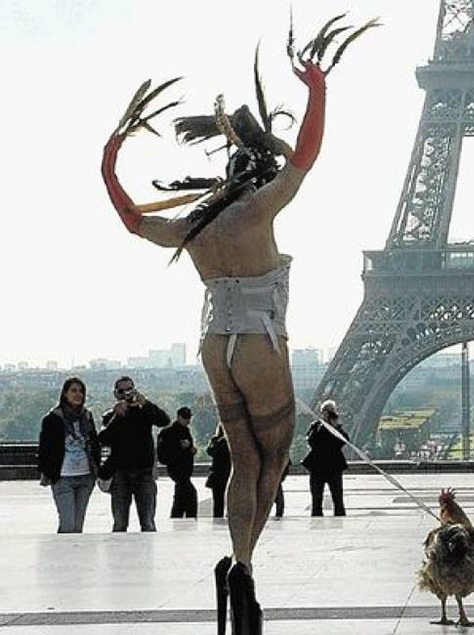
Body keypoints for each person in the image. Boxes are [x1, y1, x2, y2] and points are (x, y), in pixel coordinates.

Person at [100, 18, 377, 632]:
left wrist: (109, 163)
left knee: (240, 460)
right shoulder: (258, 207)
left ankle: (237, 560)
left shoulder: (194, 227)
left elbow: (131, 219)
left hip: (213, 345)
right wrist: (318, 91)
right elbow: (305, 156)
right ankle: (244, 567)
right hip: (259, 343)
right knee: (272, 456)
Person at [98, 376, 170, 532]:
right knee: (120, 523)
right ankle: (119, 554)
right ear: (116, 394)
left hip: (143, 471)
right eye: (121, 391)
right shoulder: (111, 416)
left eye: (129, 390)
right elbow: (104, 438)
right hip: (120, 473)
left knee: (148, 523)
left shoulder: (144, 410)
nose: (126, 394)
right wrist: (117, 416)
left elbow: (164, 420)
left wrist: (145, 403)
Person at [38, 377, 102, 533]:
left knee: (78, 526)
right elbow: (44, 449)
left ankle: (75, 556)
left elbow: (94, 443)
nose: (78, 394)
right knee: (68, 524)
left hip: (85, 476)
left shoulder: (87, 416)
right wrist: (49, 473)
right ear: (65, 394)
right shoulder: (52, 419)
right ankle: (61, 555)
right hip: (63, 477)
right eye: (73, 391)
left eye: (81, 391)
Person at [302, 400, 349, 517]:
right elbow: (312, 442)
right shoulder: (316, 426)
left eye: (332, 412)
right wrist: (323, 426)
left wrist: (335, 426)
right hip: (319, 466)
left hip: (332, 466)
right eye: (327, 412)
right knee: (316, 500)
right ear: (322, 412)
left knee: (338, 499)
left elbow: (344, 441)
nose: (329, 414)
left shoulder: (337, 428)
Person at [157, 406, 198, 518]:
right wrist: (179, 447)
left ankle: (177, 517)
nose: (187, 421)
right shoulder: (168, 432)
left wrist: (191, 449)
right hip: (176, 469)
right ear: (179, 417)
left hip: (186, 469)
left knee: (181, 496)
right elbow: (163, 453)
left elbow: (188, 448)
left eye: (189, 418)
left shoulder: (186, 431)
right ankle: (190, 518)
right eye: (185, 418)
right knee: (190, 494)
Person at [205, 423, 231, 519]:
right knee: (219, 501)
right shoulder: (216, 440)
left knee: (219, 501)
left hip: (221, 474)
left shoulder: (216, 441)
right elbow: (210, 451)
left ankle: (220, 516)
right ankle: (219, 517)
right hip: (222, 474)